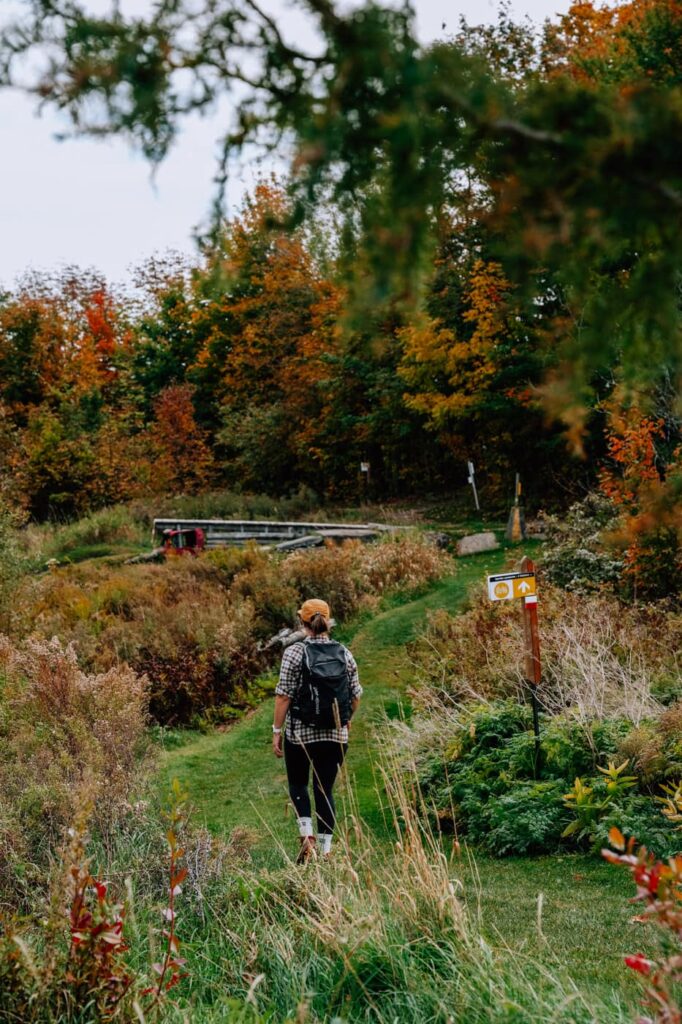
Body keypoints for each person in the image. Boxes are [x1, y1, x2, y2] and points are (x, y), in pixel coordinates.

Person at [273, 598, 362, 863]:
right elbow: (356, 694)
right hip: (335, 735)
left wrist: (277, 730)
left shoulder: (294, 652)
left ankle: (307, 835)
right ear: (328, 621)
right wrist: (345, 717)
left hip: (301, 732)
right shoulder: (344, 652)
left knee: (298, 783)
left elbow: (283, 696)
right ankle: (325, 851)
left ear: (303, 622)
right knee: (325, 790)